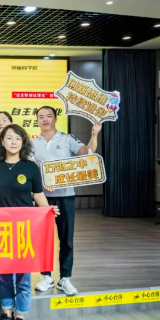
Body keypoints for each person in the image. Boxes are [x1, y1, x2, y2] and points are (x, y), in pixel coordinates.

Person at [0, 124, 60, 320]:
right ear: (2, 142)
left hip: (24, 229)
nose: (13, 142)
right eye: (9, 138)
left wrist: (48, 209)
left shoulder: (31, 167)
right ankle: (6, 314)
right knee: (3, 275)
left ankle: (20, 317)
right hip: (0, 229)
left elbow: (38, 196)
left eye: (18, 138)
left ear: (23, 142)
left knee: (23, 276)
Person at [32, 106, 101, 296]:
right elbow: (31, 167)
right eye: (41, 117)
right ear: (37, 120)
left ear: (55, 119)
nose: (45, 119)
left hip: (66, 196)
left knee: (66, 239)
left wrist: (94, 135)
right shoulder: (32, 143)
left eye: (49, 116)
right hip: (42, 198)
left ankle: (65, 278)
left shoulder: (67, 138)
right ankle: (46, 276)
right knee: (43, 240)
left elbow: (87, 153)